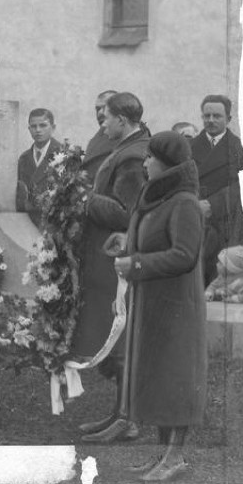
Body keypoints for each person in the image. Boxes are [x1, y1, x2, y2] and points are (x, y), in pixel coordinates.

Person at [113, 131, 207, 482]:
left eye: (151, 157)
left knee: (176, 380)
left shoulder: (183, 202)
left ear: (166, 162)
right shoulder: (155, 197)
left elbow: (185, 255)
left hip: (177, 308)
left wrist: (136, 264)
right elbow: (150, 240)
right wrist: (125, 245)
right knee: (158, 380)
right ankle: (163, 453)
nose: (145, 162)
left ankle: (176, 455)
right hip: (153, 306)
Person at [74, 92, 150, 444]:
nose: (101, 123)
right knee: (114, 336)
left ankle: (128, 419)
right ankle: (119, 414)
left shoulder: (133, 157)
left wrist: (84, 198)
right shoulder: (128, 148)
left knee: (120, 336)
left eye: (105, 117)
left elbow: (126, 212)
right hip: (111, 257)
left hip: (118, 261)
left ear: (122, 119)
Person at [190, 95, 243, 286]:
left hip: (224, 222)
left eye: (217, 116)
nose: (211, 120)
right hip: (194, 218)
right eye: (206, 116)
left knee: (218, 278)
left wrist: (212, 204)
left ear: (228, 119)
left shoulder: (239, 148)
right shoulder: (189, 147)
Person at [16, 108, 62, 227]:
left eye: (43, 125)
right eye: (33, 126)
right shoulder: (23, 158)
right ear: (29, 129)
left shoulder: (64, 155)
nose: (38, 130)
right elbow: (20, 196)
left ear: (53, 127)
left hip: (54, 224)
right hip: (28, 224)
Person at [81, 90, 118, 179]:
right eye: (97, 109)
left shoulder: (127, 138)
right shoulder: (99, 135)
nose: (100, 113)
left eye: (105, 108)